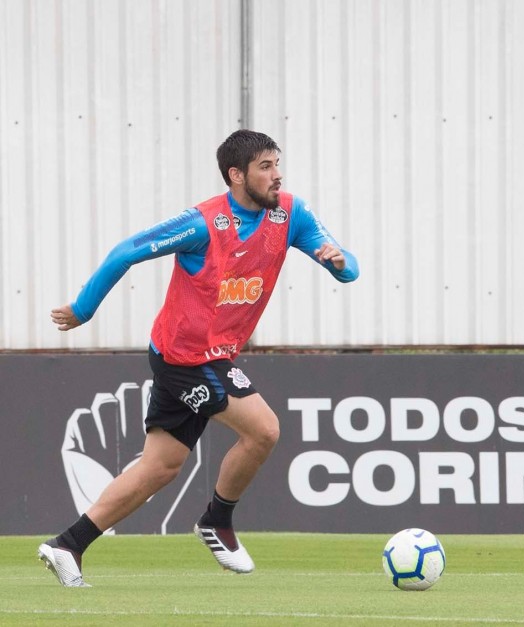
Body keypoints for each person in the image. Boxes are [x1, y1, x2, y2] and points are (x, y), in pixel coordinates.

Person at [38, 129, 359, 587]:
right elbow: (127, 251)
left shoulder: (291, 213)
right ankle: (217, 520)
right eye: (265, 166)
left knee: (161, 467)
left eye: (277, 164)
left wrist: (339, 261)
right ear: (236, 175)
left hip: (207, 354)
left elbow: (349, 269)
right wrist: (83, 308)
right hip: (186, 357)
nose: (277, 174)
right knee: (264, 429)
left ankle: (67, 544)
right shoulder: (203, 223)